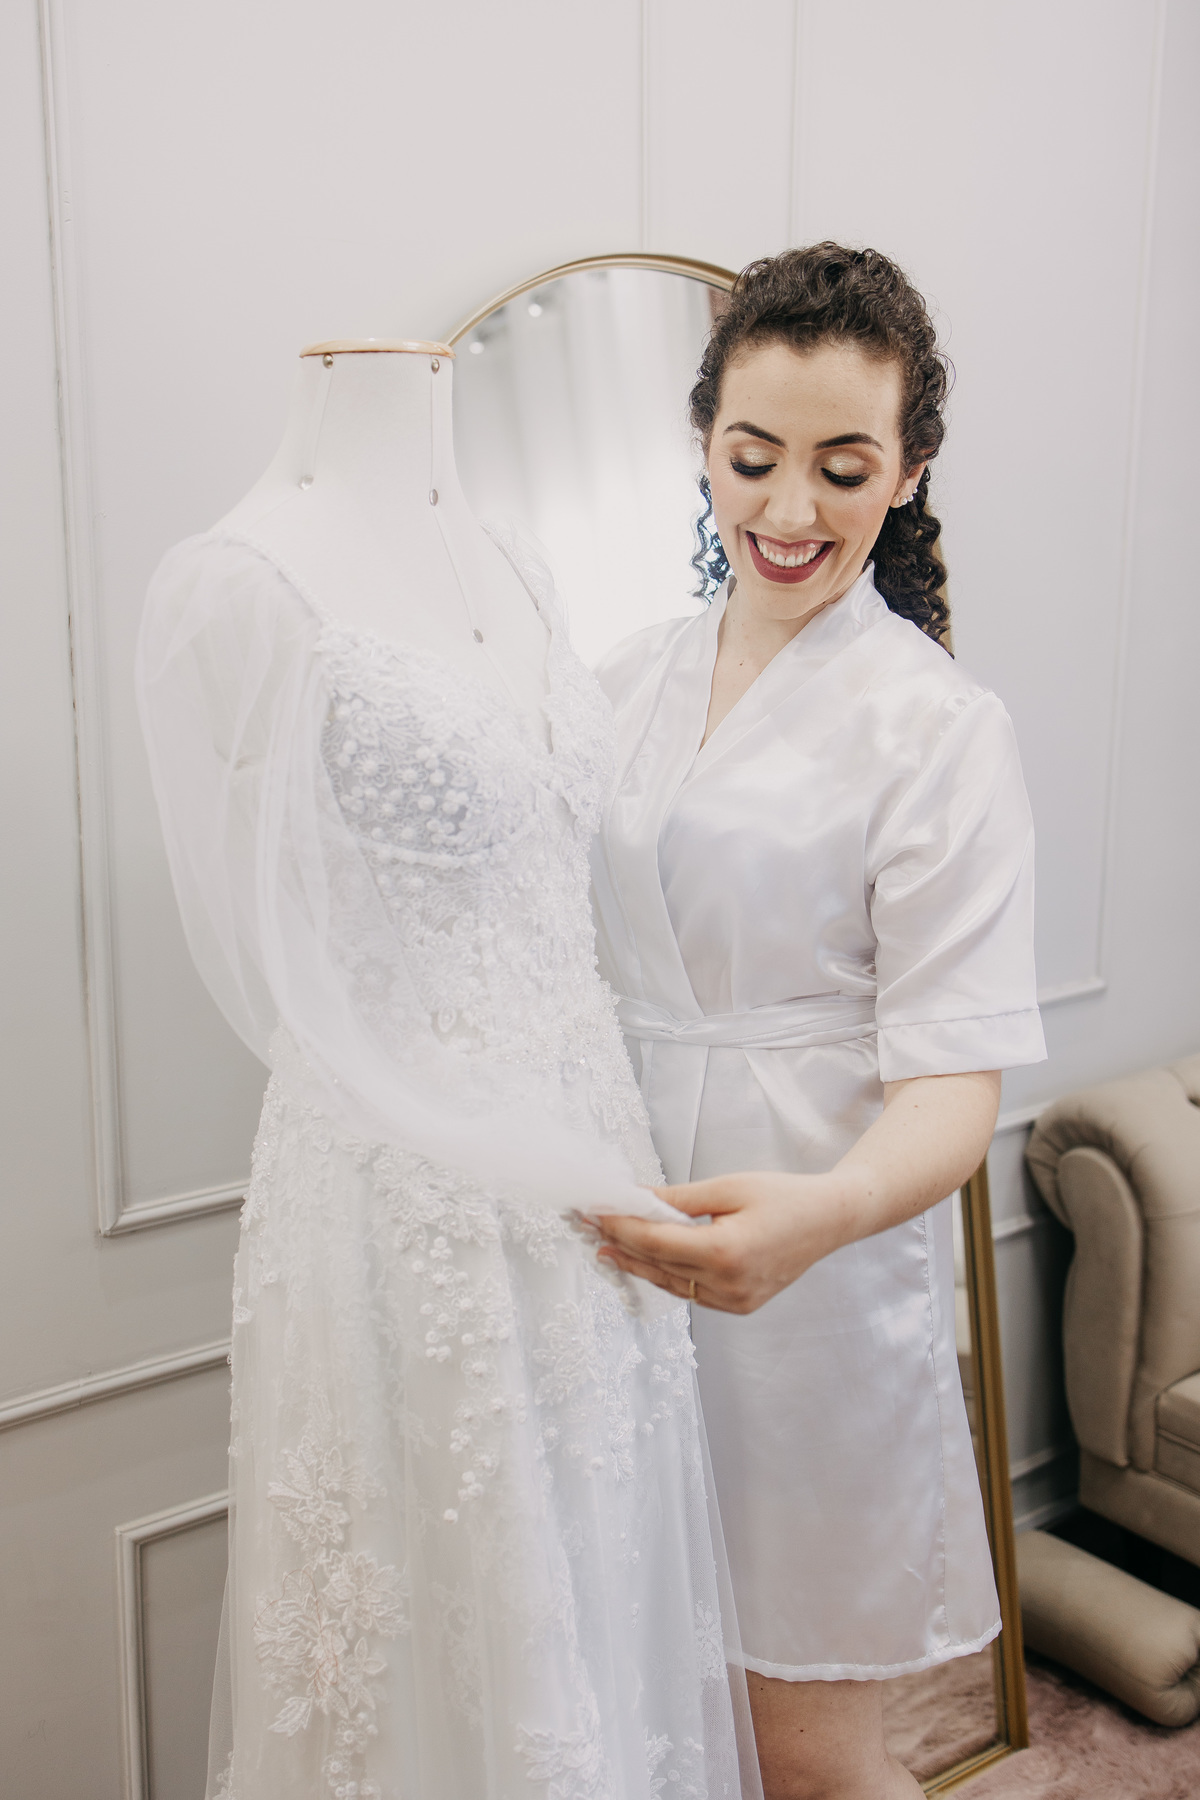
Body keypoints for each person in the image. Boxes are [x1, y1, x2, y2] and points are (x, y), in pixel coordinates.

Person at [136, 340, 758, 1800]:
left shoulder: (518, 564)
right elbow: (268, 945)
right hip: (406, 1193)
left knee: (600, 1587)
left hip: (588, 1153)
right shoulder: (238, 583)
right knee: (449, 1612)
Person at [590, 244, 1046, 1800]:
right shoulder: (619, 683)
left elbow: (955, 1084)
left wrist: (826, 1216)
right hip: (615, 1239)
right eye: (753, 457)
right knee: (646, 1705)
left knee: (806, 1752)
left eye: (844, 469)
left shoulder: (938, 731)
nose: (789, 509)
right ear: (703, 443)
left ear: (907, 472)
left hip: (819, 1274)